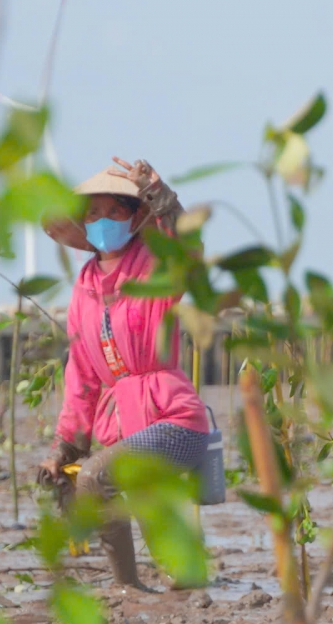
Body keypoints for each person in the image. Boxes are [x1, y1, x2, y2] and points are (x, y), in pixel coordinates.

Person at [39, 157, 208, 591]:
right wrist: (63, 450)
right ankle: (185, 586)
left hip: (173, 418)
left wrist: (161, 196)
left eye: (115, 212)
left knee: (97, 477)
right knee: (149, 513)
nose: (103, 221)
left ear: (135, 219)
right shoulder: (84, 288)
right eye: (93, 214)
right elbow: (82, 380)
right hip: (123, 426)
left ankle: (127, 590)